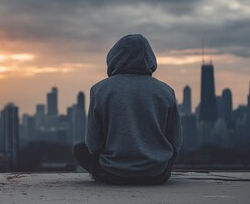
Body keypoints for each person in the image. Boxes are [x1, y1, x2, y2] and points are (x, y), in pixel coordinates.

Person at [73, 34, 182, 185]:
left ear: (114, 56)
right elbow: (175, 141)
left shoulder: (100, 90)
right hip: (156, 175)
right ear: (150, 58)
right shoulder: (165, 91)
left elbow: (93, 144)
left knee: (79, 148)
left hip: (114, 174)